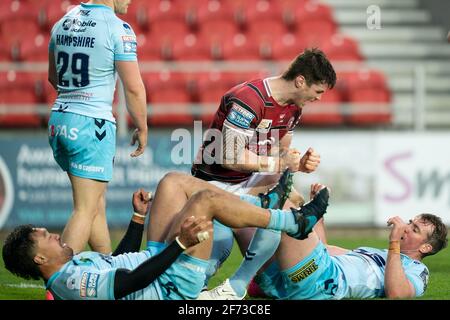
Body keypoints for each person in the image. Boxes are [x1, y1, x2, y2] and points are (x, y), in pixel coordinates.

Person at [2, 172, 329, 300]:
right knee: (206, 202)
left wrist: (138, 219)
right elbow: (132, 282)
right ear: (39, 259)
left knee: (172, 182)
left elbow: (118, 261)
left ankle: (258, 205)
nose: (54, 234)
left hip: (157, 264)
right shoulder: (70, 284)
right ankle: (289, 221)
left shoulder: (73, 266)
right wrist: (180, 244)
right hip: (170, 287)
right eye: (44, 236)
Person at [189, 48, 336, 298]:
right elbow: (230, 156)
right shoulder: (248, 98)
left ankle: (236, 287)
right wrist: (279, 164)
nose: (319, 98)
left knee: (282, 214)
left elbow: (279, 156)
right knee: (220, 246)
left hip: (250, 183)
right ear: (301, 81)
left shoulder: (293, 109)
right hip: (213, 183)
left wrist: (298, 163)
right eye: (318, 91)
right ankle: (190, 288)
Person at [207, 184, 449, 300]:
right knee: (240, 220)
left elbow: (397, 294)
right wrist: (318, 219)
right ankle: (202, 282)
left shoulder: (418, 271)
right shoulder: (375, 253)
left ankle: (235, 287)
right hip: (308, 272)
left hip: (323, 283)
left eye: (414, 228)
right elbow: (323, 252)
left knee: (282, 206)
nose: (406, 226)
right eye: (410, 221)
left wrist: (395, 243)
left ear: (425, 247)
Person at [47, 0, 148, 254]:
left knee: (95, 205)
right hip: (91, 124)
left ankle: (106, 268)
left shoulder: (63, 21)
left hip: (59, 118)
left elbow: (52, 76)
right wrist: (142, 126)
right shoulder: (117, 28)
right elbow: (134, 87)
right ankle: (57, 286)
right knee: (85, 209)